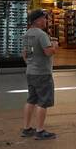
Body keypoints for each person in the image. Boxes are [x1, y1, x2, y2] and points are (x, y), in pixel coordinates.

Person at [20, 9, 57, 140]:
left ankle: (26, 128)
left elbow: (24, 54)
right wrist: (54, 47)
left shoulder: (27, 34)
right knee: (43, 101)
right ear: (38, 20)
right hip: (42, 73)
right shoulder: (41, 35)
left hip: (30, 72)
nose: (46, 20)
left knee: (31, 100)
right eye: (44, 18)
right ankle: (40, 130)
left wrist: (31, 63)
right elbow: (48, 52)